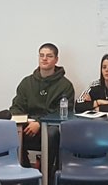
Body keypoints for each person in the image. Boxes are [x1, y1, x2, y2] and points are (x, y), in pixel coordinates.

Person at [9, 42, 75, 174]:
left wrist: (39, 123)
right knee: (9, 131)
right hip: (27, 127)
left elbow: (62, 113)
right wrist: (28, 122)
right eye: (42, 55)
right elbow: (16, 107)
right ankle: (26, 174)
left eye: (49, 56)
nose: (44, 59)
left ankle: (45, 178)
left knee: (51, 133)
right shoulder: (26, 83)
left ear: (56, 60)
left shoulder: (65, 85)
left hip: (51, 130)